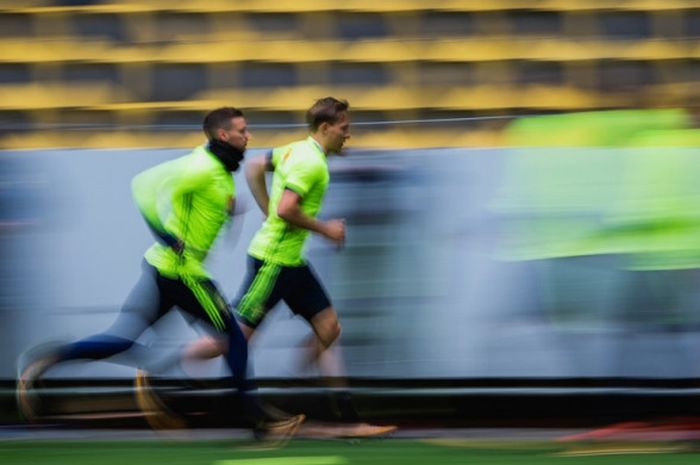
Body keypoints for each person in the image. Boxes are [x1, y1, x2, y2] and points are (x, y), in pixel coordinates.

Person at [16, 107, 304, 443]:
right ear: (224, 135)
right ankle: (259, 423)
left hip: (162, 270)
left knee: (123, 339)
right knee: (234, 339)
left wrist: (228, 213)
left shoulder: (217, 169)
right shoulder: (201, 167)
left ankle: (49, 359)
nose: (248, 136)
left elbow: (203, 207)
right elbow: (142, 185)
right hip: (184, 276)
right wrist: (165, 235)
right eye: (243, 130)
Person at [176, 97, 396, 437]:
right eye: (344, 128)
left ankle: (342, 413)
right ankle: (176, 370)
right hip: (273, 264)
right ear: (326, 128)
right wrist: (327, 229)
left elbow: (254, 167)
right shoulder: (312, 165)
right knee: (234, 339)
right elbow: (287, 208)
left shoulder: (294, 150)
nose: (348, 135)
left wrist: (267, 207)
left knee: (329, 328)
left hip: (292, 263)